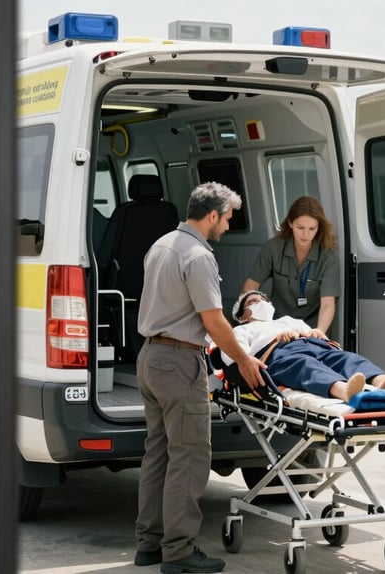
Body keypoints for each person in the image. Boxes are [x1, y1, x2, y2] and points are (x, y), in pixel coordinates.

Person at [134, 181, 267, 574]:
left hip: (150, 358)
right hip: (178, 362)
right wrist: (243, 359)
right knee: (189, 458)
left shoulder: (161, 245)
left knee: (157, 454)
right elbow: (213, 319)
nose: (227, 226)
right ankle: (178, 552)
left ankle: (149, 545)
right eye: (226, 219)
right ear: (212, 215)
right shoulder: (198, 256)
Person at [218, 290, 385, 401]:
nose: (261, 302)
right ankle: (343, 390)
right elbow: (232, 356)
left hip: (312, 344)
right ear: (243, 315)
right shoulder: (241, 330)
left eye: (263, 300)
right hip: (278, 354)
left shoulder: (288, 320)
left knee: (344, 358)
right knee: (305, 366)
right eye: (253, 302)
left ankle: (382, 381)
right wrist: (277, 339)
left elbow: (312, 333)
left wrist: (318, 333)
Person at [241, 196, 339, 335]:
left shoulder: (328, 256)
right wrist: (252, 315)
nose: (306, 234)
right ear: (290, 223)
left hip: (310, 329)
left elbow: (328, 303)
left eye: (312, 228)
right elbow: (251, 285)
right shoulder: (273, 248)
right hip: (276, 328)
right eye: (300, 227)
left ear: (319, 227)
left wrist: (319, 331)